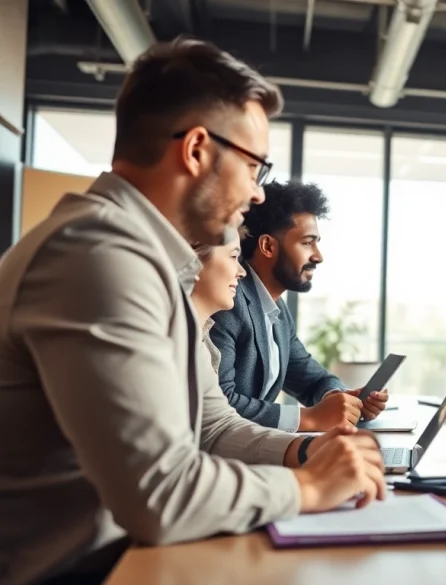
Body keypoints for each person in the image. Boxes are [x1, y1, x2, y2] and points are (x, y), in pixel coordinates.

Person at [0, 39, 385, 585]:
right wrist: (309, 487)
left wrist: (307, 451)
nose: (256, 194)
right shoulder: (98, 255)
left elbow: (212, 428)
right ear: (197, 149)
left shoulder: (153, 264)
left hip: (130, 557)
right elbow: (160, 494)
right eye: (254, 166)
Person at [209, 180, 388, 432]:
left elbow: (312, 380)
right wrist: (309, 418)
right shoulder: (228, 302)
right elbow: (220, 404)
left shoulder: (277, 311)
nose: (318, 256)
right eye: (307, 242)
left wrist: (341, 399)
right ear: (268, 246)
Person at [191, 227, 248, 371]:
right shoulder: (170, 342)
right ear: (195, 261)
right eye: (233, 257)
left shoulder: (203, 343)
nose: (242, 272)